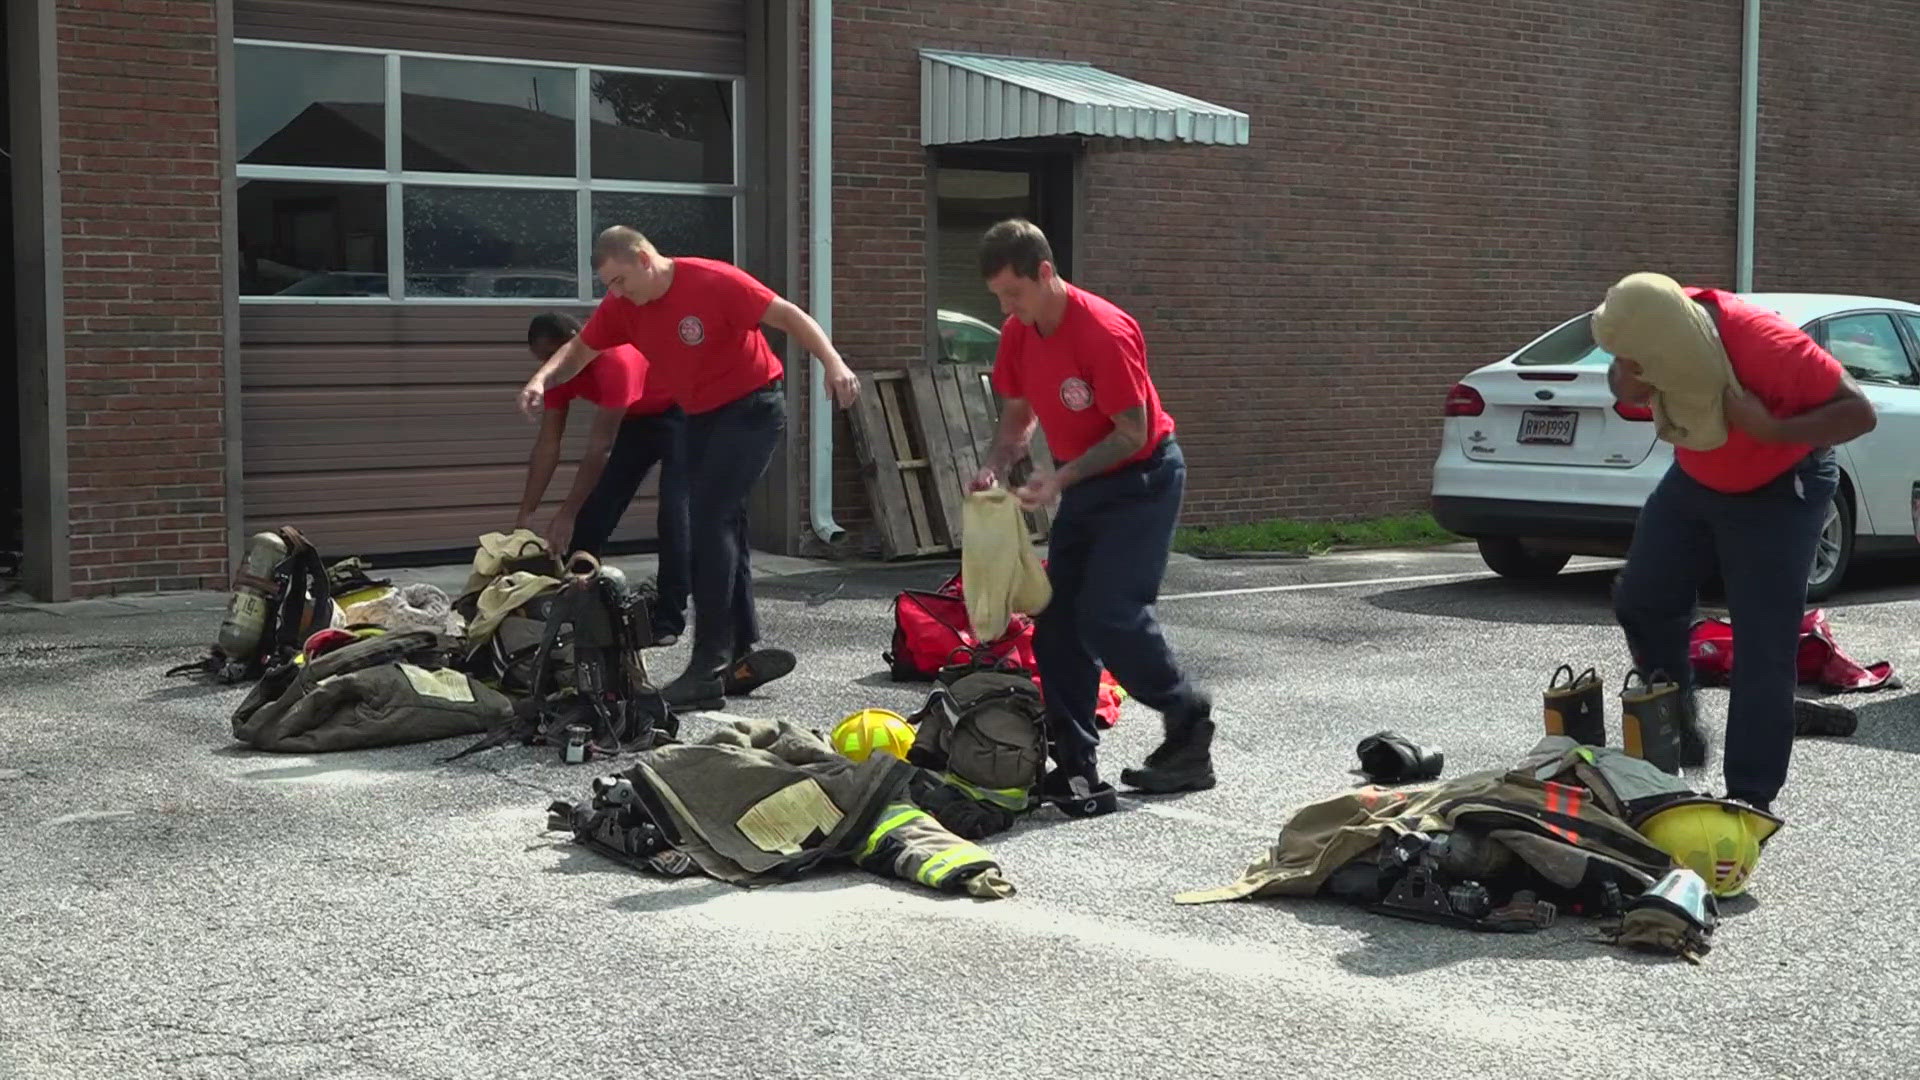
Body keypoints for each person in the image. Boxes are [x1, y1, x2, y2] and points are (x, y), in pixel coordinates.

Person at [519, 226, 860, 710]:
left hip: (752, 407)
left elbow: (789, 316)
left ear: (642, 259)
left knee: (708, 519)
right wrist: (540, 378)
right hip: (697, 416)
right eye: (608, 285)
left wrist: (834, 363)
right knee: (726, 523)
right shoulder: (623, 307)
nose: (614, 294)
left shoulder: (713, 280)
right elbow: (579, 350)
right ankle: (742, 652)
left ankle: (707, 667)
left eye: (618, 280)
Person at [1598, 271, 1877, 814]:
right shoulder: (1650, 332)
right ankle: (1675, 730)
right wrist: (1624, 380)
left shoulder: (1764, 343)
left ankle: (1750, 796)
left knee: (1762, 641)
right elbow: (1621, 378)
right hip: (1698, 476)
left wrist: (1770, 429)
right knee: (1643, 598)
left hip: (1782, 484)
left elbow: (1859, 412)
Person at [966, 218, 1215, 816]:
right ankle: (1074, 764)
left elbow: (1131, 432)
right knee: (1056, 621)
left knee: (1111, 613)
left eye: (1015, 293)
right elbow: (1017, 417)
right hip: (1083, 482)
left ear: (1046, 273)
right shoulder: (1019, 333)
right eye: (999, 296)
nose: (1008, 307)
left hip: (1142, 479)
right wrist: (996, 466)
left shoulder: (1103, 330)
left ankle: (1188, 725)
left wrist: (1061, 478)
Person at [515, 311, 689, 646]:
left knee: (674, 512)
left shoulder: (615, 360)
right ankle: (578, 609)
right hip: (636, 419)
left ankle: (669, 619)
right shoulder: (559, 375)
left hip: (680, 414)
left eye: (556, 355)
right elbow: (548, 443)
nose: (553, 365)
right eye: (545, 360)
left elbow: (600, 449)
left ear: (577, 341)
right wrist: (527, 513)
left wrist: (565, 514)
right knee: (596, 510)